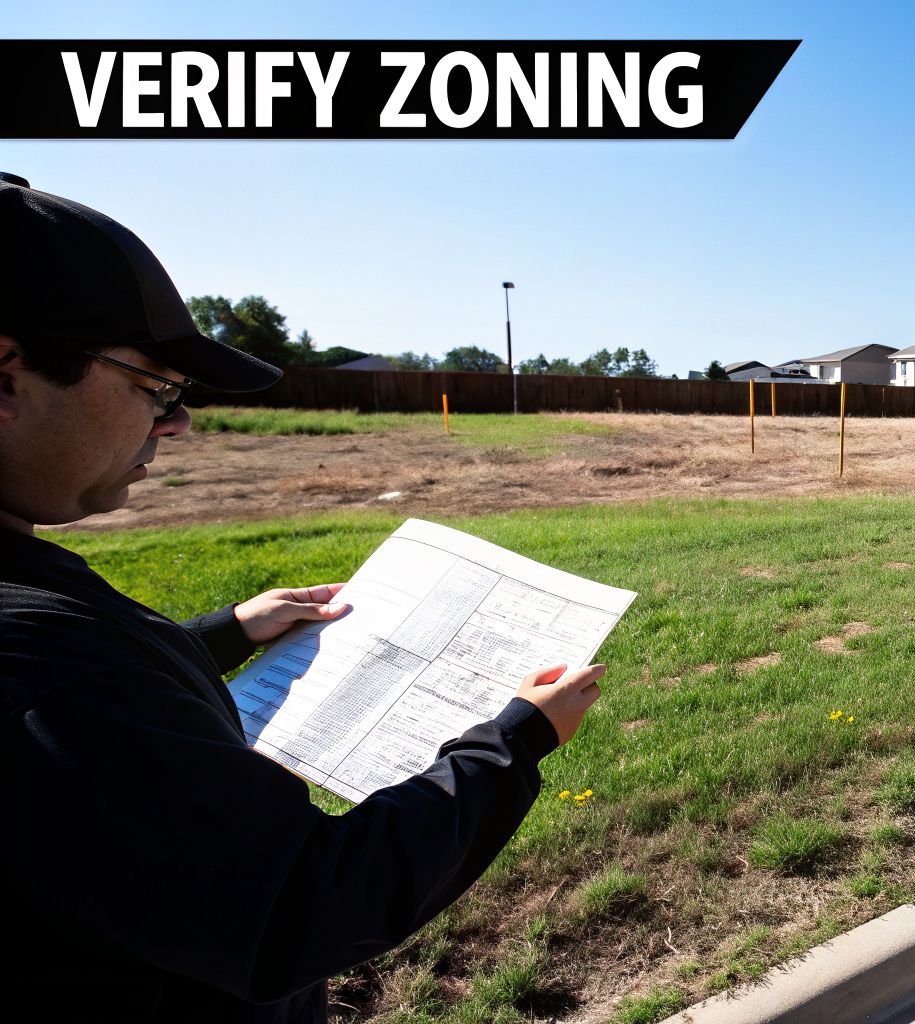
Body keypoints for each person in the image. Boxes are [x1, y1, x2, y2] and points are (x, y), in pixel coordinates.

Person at [0, 173, 606, 1022]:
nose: (176, 424)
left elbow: (89, 715)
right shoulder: (41, 666)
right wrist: (512, 744)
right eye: (154, 386)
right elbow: (306, 900)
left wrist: (222, 634)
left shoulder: (34, 615)